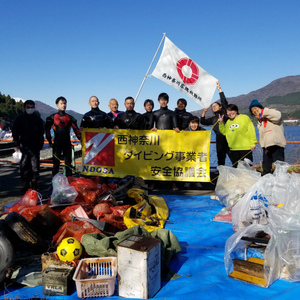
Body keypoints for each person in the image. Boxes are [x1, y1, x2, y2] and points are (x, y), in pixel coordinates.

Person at [12, 100, 44, 191]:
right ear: (24, 108)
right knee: (24, 165)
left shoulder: (38, 119)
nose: (30, 109)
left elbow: (41, 132)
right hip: (24, 145)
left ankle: (35, 182)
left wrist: (41, 144)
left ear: (34, 107)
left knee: (35, 165)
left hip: (35, 146)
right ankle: (25, 183)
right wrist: (16, 144)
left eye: (32, 107)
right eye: (28, 107)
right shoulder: (19, 118)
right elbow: (15, 132)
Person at [45, 96, 81, 177]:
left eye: (65, 103)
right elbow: (47, 130)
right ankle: (54, 183)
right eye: (61, 103)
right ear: (57, 105)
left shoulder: (69, 117)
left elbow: (76, 130)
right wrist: (50, 141)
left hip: (67, 143)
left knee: (68, 163)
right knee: (56, 164)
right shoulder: (52, 117)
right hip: (57, 144)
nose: (63, 105)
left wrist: (81, 140)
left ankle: (69, 181)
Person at [151, 92, 180, 191]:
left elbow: (175, 125)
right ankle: (153, 182)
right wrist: (152, 129)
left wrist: (176, 129)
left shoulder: (172, 113)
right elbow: (151, 127)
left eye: (165, 100)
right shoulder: (154, 113)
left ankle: (173, 183)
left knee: (171, 161)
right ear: (159, 101)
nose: (163, 102)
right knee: (156, 161)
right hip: (158, 141)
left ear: (167, 101)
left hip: (169, 141)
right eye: (162, 100)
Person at [249, 99, 286, 175]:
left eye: (256, 108)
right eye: (253, 110)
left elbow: (278, 116)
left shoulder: (271, 113)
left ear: (260, 107)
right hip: (267, 146)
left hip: (277, 144)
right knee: (266, 165)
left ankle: (281, 181)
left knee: (279, 166)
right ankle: (266, 181)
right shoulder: (260, 120)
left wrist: (264, 112)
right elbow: (262, 135)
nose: (255, 111)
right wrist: (263, 146)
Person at [201, 80, 230, 166]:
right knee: (220, 160)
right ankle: (221, 175)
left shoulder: (225, 113)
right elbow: (202, 121)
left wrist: (219, 88)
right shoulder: (213, 119)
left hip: (229, 138)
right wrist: (204, 112)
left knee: (233, 157)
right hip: (219, 140)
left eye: (215, 106)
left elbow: (224, 101)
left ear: (220, 107)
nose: (213, 107)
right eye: (212, 106)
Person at [183, 116, 206, 190]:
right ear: (189, 123)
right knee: (188, 166)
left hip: (198, 152)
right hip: (188, 152)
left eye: (196, 123)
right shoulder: (185, 131)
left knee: (198, 166)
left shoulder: (202, 130)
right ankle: (187, 181)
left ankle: (197, 181)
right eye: (192, 123)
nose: (194, 125)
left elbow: (206, 136)